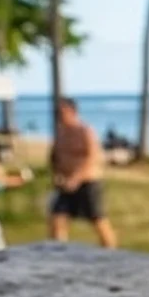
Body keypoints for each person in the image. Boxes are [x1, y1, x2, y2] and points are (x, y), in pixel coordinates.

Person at [49, 98, 118, 248]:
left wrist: (76, 178)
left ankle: (111, 251)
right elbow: (55, 157)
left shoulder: (85, 131)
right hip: (66, 183)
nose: (59, 116)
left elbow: (92, 157)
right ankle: (59, 251)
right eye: (57, 113)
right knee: (57, 218)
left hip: (88, 182)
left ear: (73, 112)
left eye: (62, 112)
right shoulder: (61, 133)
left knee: (97, 219)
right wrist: (58, 175)